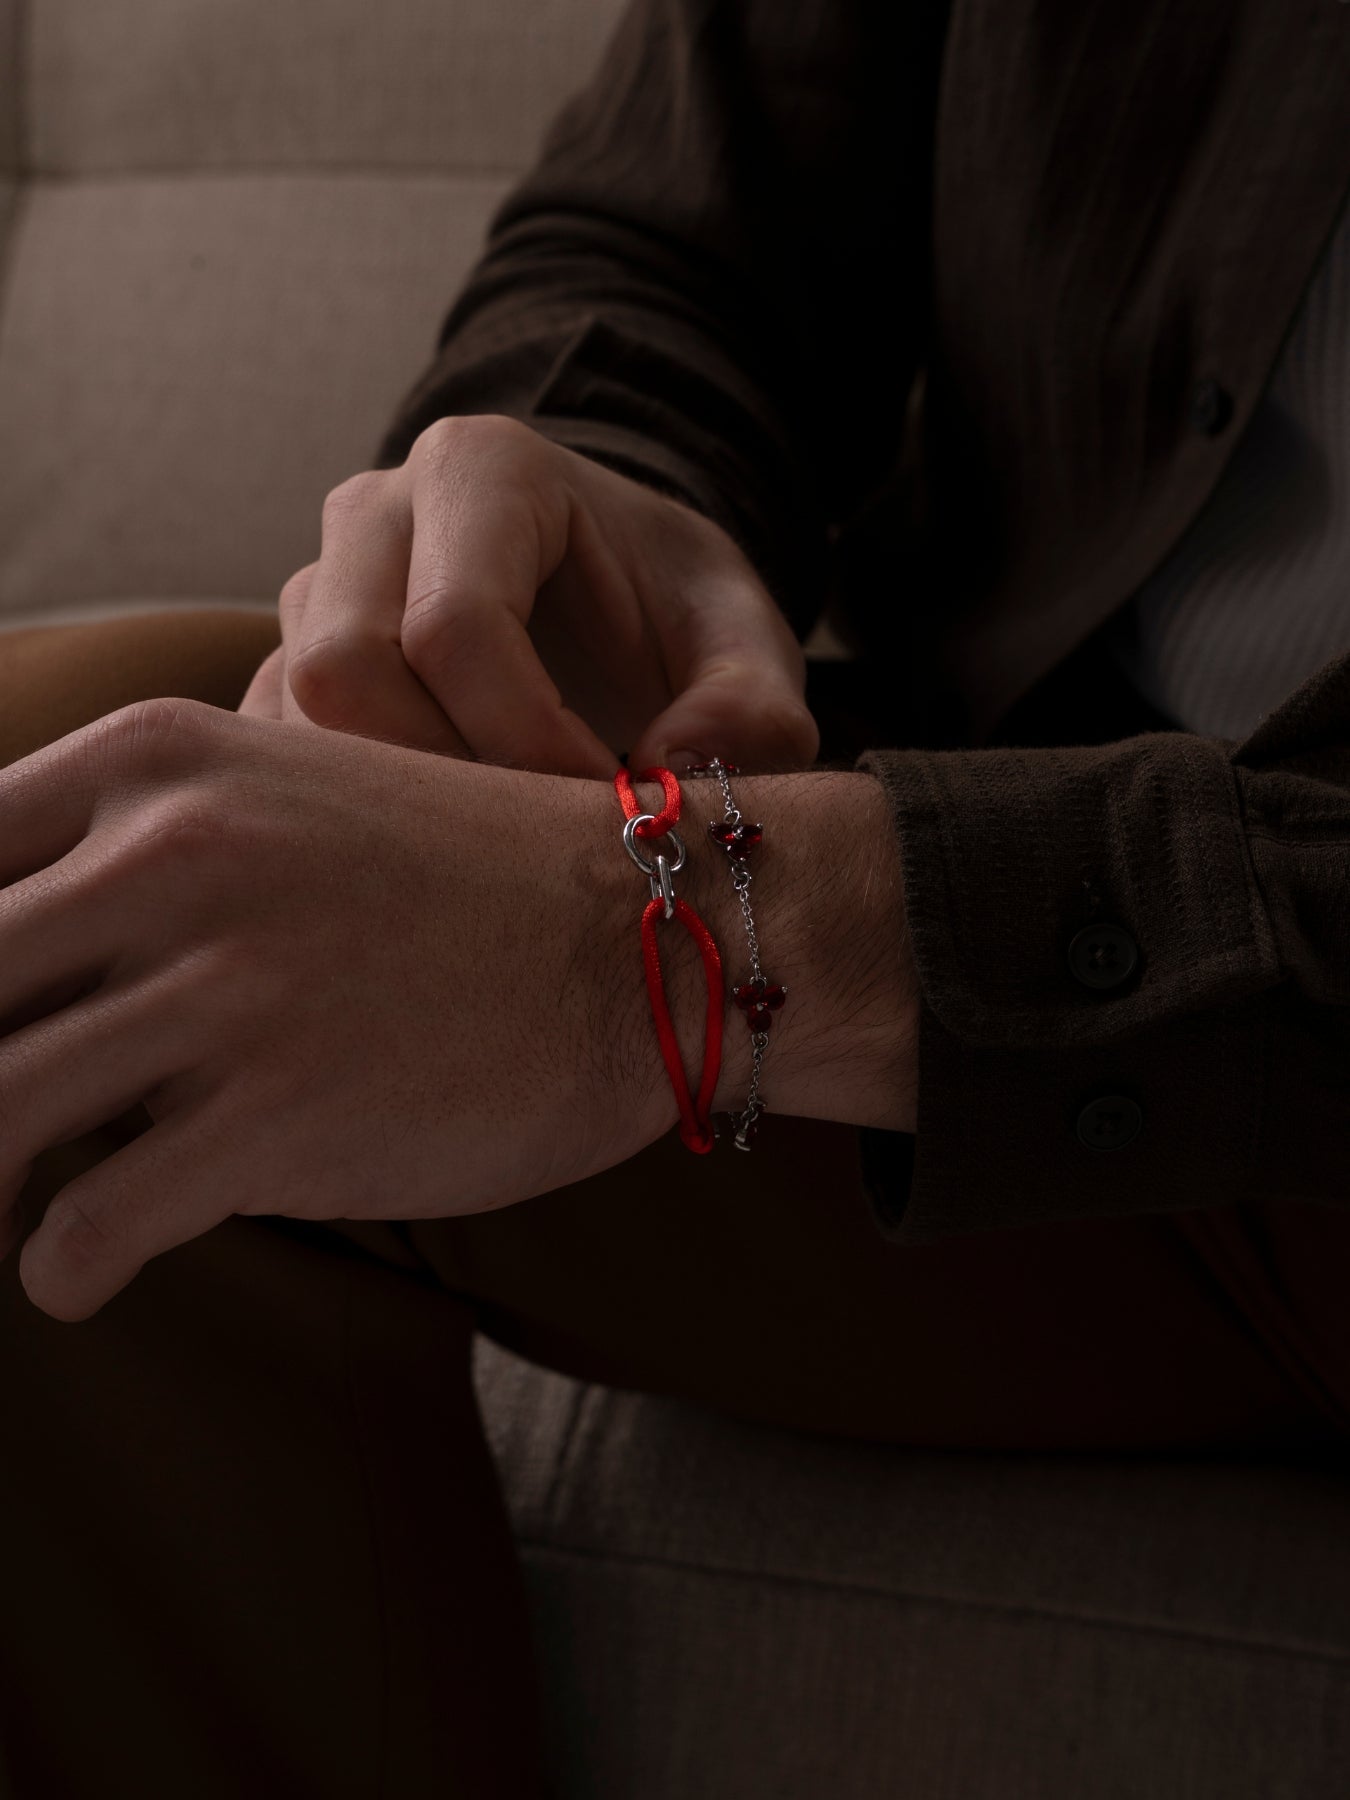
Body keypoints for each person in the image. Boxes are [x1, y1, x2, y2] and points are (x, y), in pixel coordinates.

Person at [3, 0, 1350, 1792]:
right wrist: (587, 496)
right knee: (62, 845)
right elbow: (684, 221)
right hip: (1039, 932)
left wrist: (668, 938)